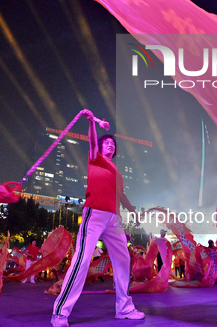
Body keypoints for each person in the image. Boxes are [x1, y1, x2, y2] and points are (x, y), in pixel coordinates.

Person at [51, 109, 144, 327]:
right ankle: (60, 313)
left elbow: (120, 194)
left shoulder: (116, 170)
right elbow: (92, 143)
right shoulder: (96, 159)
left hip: (115, 219)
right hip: (95, 214)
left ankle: (124, 308)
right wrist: (92, 122)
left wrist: (132, 211)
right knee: (82, 260)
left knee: (123, 260)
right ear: (101, 147)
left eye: (113, 144)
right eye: (107, 143)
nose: (111, 145)